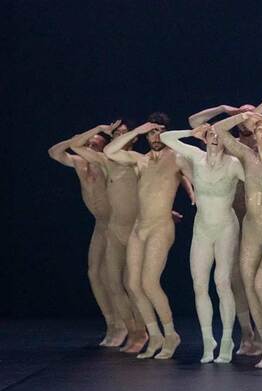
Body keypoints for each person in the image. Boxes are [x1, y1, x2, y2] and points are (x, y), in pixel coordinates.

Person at [104, 112, 189, 359]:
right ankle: (155, 336)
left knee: (149, 283)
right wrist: (138, 129)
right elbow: (110, 151)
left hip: (160, 227)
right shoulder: (140, 160)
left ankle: (171, 334)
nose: (155, 136)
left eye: (160, 131)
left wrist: (195, 195)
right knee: (133, 284)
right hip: (138, 229)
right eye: (152, 132)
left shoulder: (177, 158)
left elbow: (194, 176)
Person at [160, 124, 245, 363]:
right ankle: (209, 340)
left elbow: (260, 182)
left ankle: (227, 340)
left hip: (226, 227)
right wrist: (191, 132)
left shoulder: (233, 164)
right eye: (211, 135)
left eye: (220, 135)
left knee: (222, 282)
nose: (215, 139)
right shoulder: (196, 157)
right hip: (202, 229)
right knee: (199, 284)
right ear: (204, 138)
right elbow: (166, 137)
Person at [213, 111, 262, 369]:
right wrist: (243, 115)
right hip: (252, 230)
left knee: (261, 285)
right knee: (249, 287)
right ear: (254, 135)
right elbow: (219, 130)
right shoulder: (247, 156)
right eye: (259, 129)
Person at [48, 125, 125, 346]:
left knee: (115, 277)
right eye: (88, 142)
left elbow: (133, 187)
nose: (90, 145)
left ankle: (125, 325)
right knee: (94, 274)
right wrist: (94, 130)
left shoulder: (108, 162)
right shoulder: (80, 164)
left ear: (103, 146)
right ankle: (111, 323)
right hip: (100, 224)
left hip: (116, 223)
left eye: (95, 142)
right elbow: (55, 152)